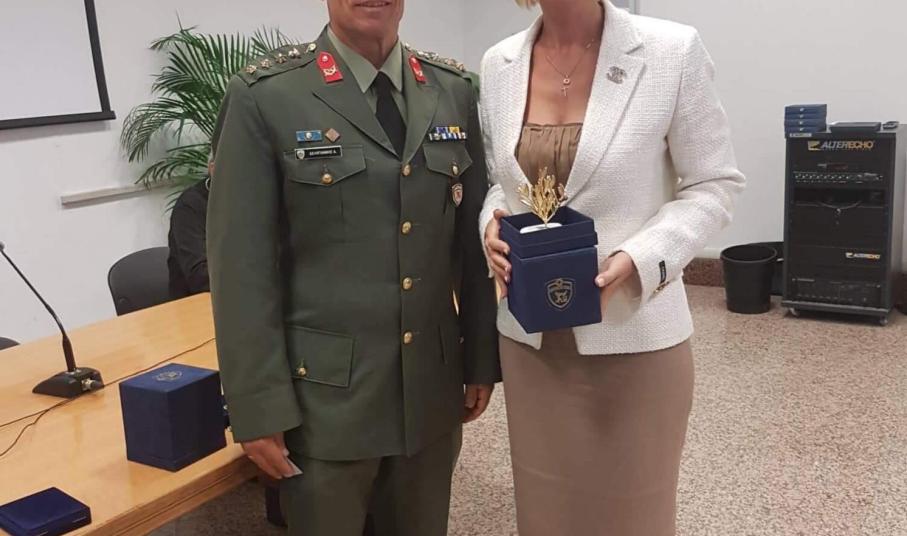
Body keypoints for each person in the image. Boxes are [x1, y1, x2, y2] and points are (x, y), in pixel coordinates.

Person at [206, 1, 500, 534]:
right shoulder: (268, 95)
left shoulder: (452, 89)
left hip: (430, 393)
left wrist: (480, 357)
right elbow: (241, 269)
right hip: (324, 404)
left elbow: (472, 238)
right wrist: (257, 406)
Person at [480, 1, 745, 534]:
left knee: (633, 512)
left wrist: (640, 259)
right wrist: (490, 224)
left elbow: (714, 185)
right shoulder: (498, 63)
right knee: (546, 512)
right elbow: (499, 183)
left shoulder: (671, 50)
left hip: (633, 335)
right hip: (532, 345)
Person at [167, 159, 214, 300]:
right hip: (196, 303)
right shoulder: (190, 206)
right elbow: (200, 276)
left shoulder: (250, 203)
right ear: (213, 169)